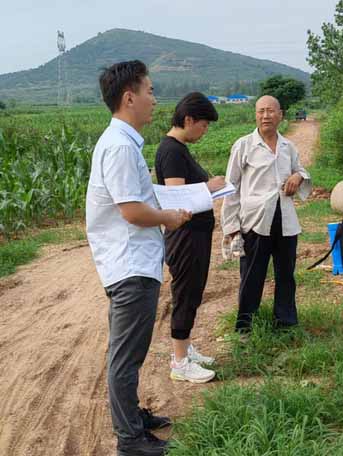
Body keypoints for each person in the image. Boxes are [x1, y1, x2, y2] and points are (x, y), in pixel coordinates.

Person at [86, 60, 191, 456]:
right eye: (149, 91)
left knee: (130, 352)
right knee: (125, 357)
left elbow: (135, 201)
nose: (153, 98)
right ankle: (130, 440)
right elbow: (132, 211)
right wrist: (171, 217)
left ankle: (132, 419)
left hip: (134, 262)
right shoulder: (118, 147)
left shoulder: (124, 143)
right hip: (130, 266)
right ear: (129, 97)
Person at [221, 95, 312, 332]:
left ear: (280, 115)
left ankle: (286, 322)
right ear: (255, 115)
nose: (265, 116)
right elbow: (231, 188)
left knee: (286, 273)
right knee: (252, 274)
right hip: (255, 220)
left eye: (271, 111)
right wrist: (231, 227)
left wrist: (297, 176)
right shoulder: (243, 145)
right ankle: (244, 325)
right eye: (261, 111)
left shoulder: (287, 146)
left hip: (285, 218)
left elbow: (300, 169)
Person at [155, 92, 225, 383]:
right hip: (185, 237)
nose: (205, 131)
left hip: (195, 235)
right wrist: (209, 187)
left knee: (193, 292)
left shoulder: (179, 148)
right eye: (204, 125)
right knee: (185, 294)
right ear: (188, 120)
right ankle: (180, 362)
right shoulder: (171, 151)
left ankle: (185, 348)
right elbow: (177, 199)